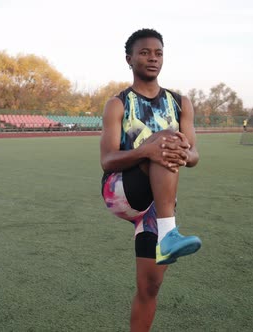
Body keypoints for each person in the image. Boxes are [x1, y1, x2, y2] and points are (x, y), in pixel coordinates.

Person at [100, 28, 202, 332]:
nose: (152, 58)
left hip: (159, 206)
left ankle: (167, 235)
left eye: (158, 53)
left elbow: (194, 156)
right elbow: (107, 160)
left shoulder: (180, 103)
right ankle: (170, 234)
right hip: (121, 191)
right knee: (164, 141)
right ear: (129, 59)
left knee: (150, 288)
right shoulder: (118, 104)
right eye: (144, 53)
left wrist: (181, 151)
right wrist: (148, 150)